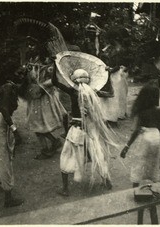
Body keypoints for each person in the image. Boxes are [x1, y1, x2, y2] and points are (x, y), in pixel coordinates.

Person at [53, 53, 120, 196]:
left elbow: (55, 82)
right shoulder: (93, 92)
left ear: (74, 81)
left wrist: (55, 66)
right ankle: (107, 180)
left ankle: (65, 189)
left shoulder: (73, 92)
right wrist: (108, 77)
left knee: (67, 157)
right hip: (91, 130)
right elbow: (110, 93)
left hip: (77, 131)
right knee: (96, 154)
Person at [19, 37, 66, 160]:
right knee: (35, 123)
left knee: (37, 123)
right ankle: (53, 142)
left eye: (32, 45)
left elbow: (56, 79)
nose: (30, 47)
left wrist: (42, 86)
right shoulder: (31, 60)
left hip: (43, 96)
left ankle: (47, 149)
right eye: (28, 45)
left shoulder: (48, 62)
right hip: (34, 95)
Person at [120, 81, 160, 186]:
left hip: (145, 136)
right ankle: (154, 186)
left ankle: (135, 188)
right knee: (153, 163)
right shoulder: (159, 110)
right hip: (156, 137)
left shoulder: (142, 112)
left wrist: (127, 146)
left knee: (139, 162)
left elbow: (137, 130)